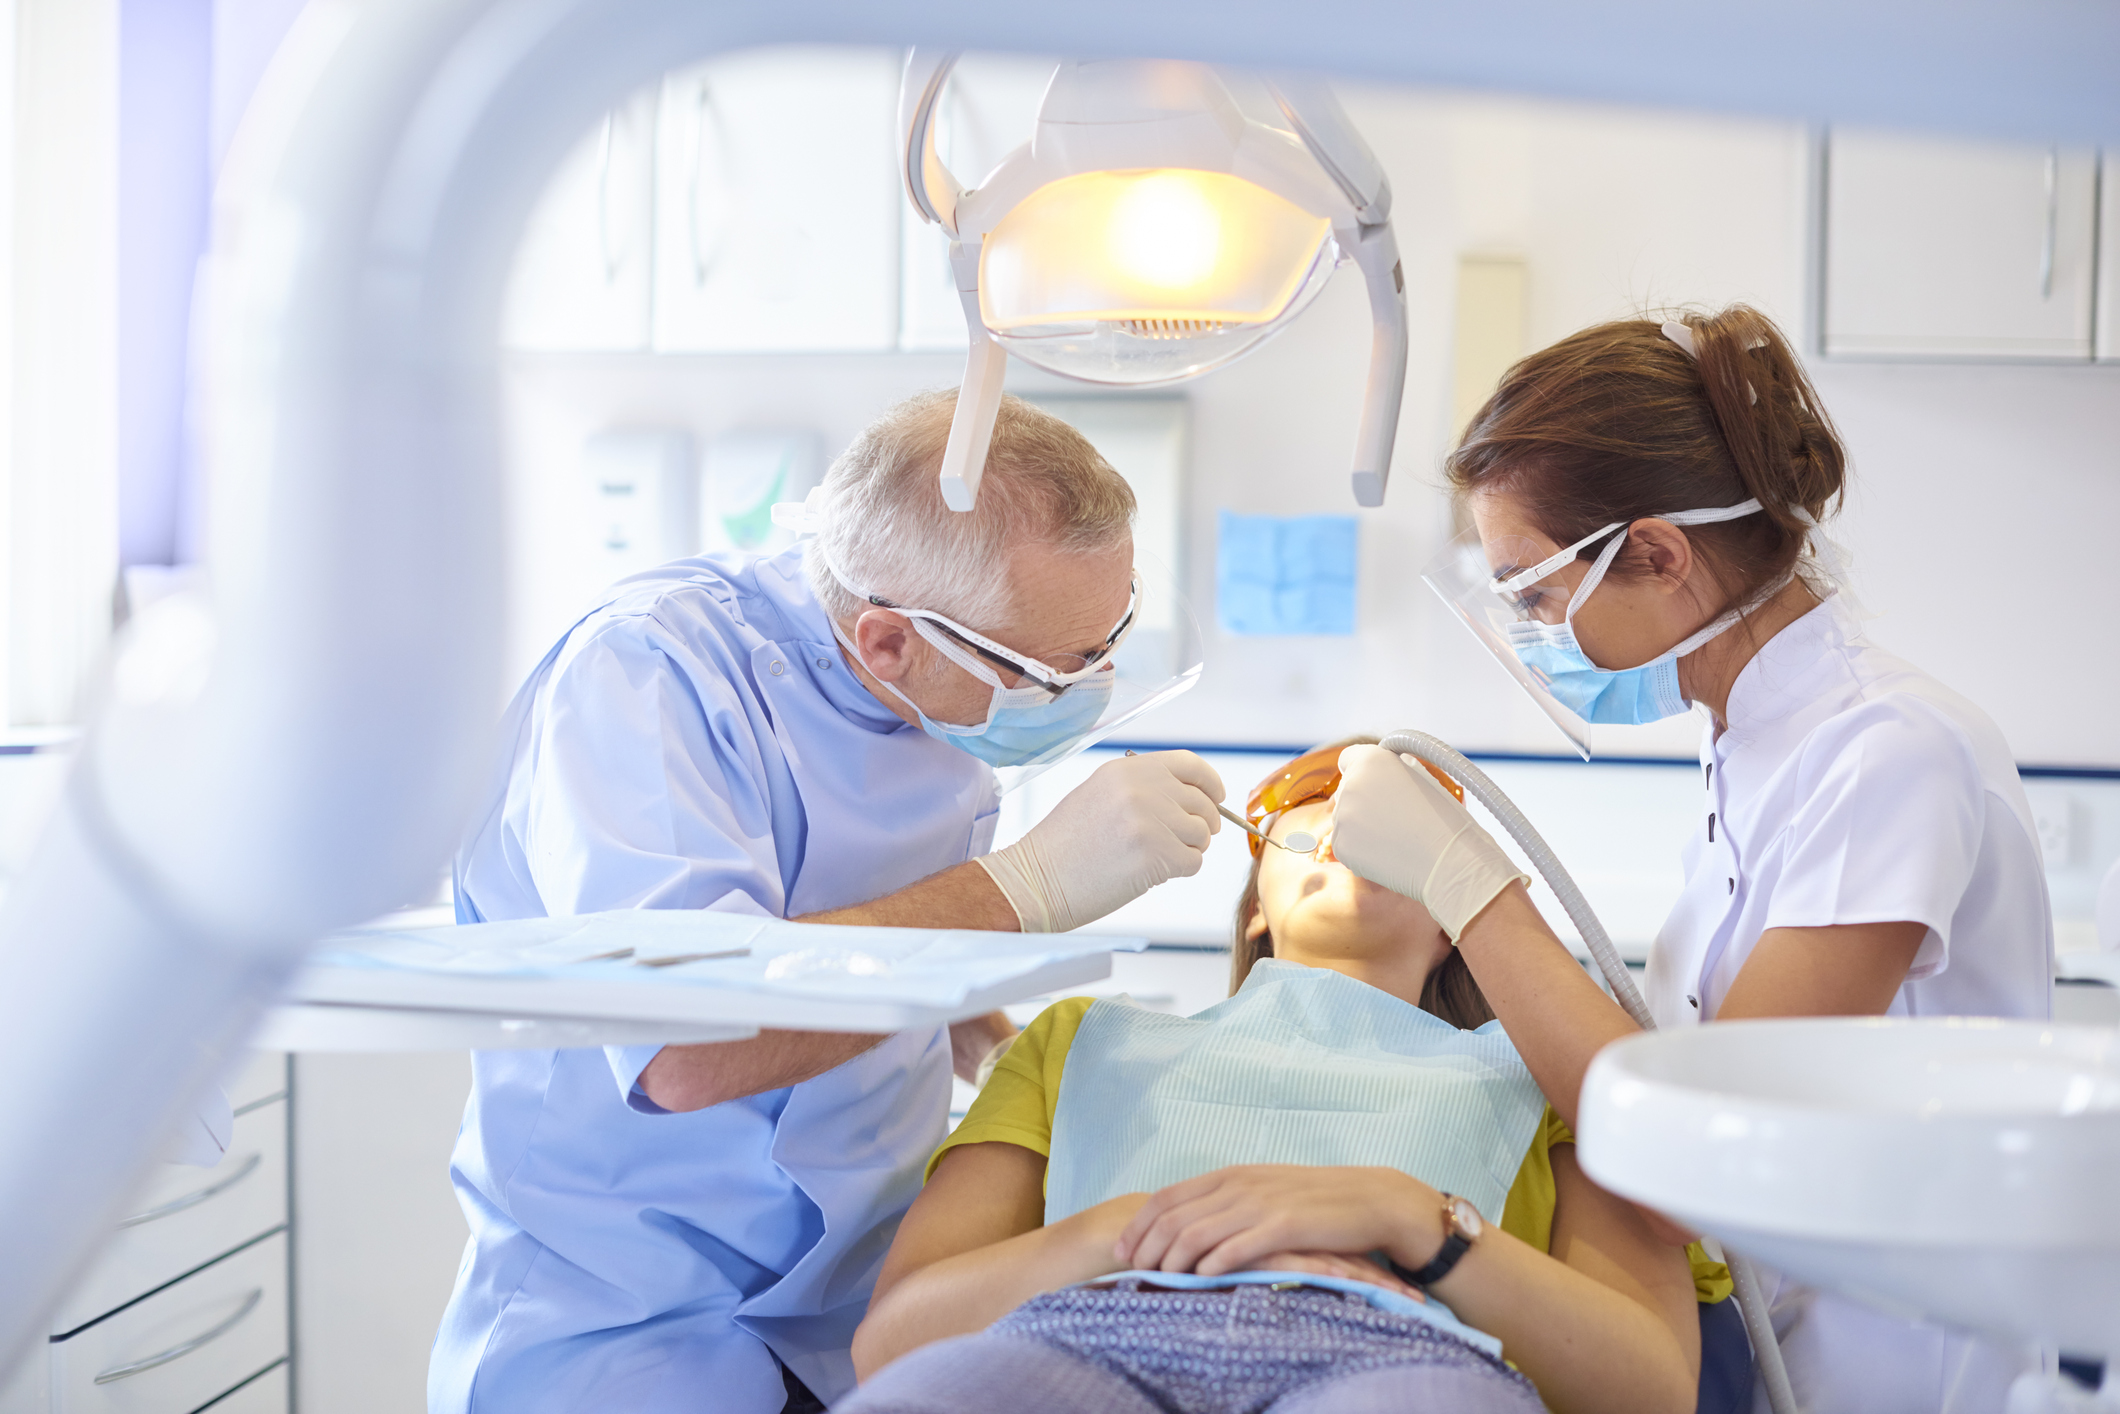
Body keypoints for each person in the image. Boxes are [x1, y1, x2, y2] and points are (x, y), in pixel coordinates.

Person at [429, 391, 1229, 1414]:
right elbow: (690, 1050)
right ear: (888, 640)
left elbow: (878, 930)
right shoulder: (645, 678)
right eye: (1057, 670)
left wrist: (1011, 1062)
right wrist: (1025, 887)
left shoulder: (942, 691)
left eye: (1112, 635)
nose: (1095, 685)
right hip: (628, 1314)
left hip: (854, 1300)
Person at [1330, 305, 2055, 1414]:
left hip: (1900, 1369)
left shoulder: (1886, 753)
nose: (1527, 629)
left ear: (1658, 552)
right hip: (1774, 1347)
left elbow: (1702, 1154)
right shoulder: (1749, 743)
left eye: (1530, 590)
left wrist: (1467, 887)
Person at [842, 741, 1739, 1414]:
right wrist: (1132, 1229)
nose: (1348, 820)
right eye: (1314, 803)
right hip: (1089, 1335)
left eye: (1406, 829)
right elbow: (894, 1344)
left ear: (1452, 923)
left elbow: (1650, 1387)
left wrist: (1412, 1220)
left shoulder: (1552, 1076)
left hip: (1399, 1357)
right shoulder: (1077, 1042)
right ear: (1257, 910)